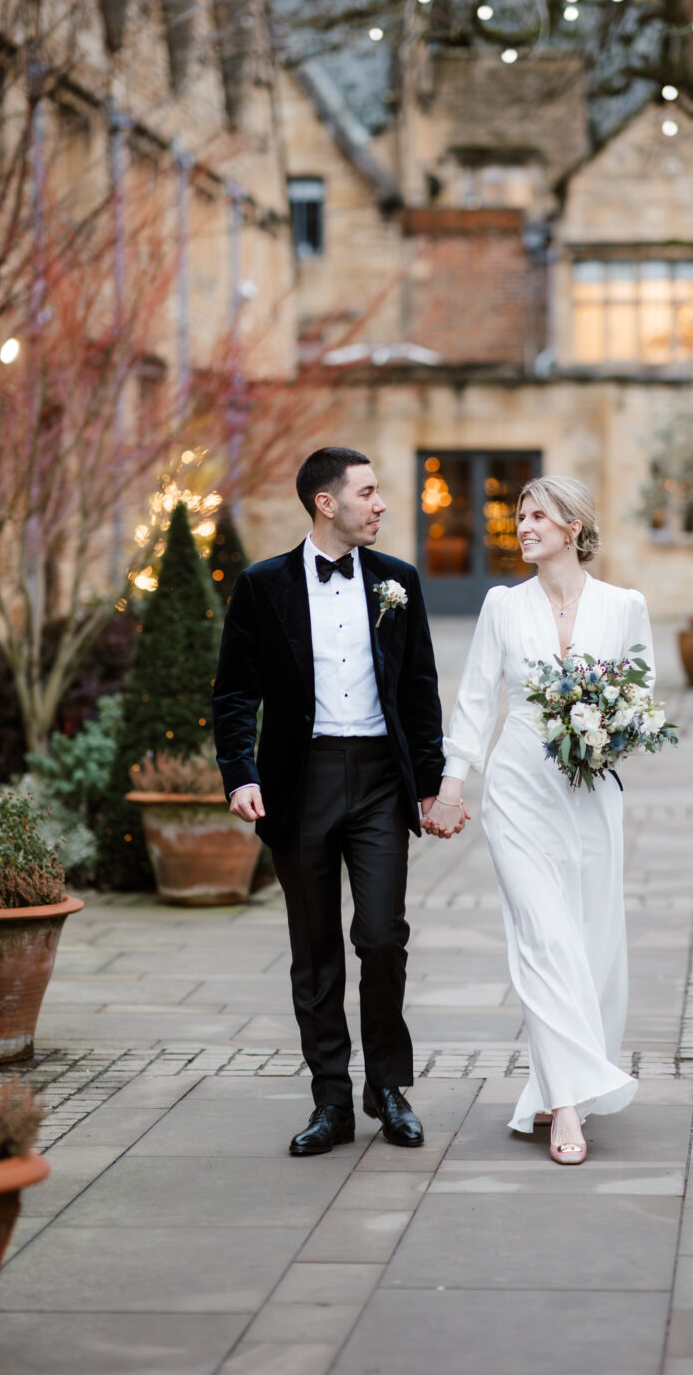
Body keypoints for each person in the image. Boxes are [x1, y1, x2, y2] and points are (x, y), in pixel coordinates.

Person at [213, 447, 454, 1156]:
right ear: (327, 503)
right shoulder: (263, 586)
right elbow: (234, 693)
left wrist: (433, 784)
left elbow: (419, 692)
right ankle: (330, 1100)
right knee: (314, 949)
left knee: (382, 936)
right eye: (369, 493)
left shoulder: (397, 583)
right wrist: (240, 772)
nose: (381, 504)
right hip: (302, 781)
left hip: (381, 779)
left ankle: (387, 1087)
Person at [424, 476, 651, 1165]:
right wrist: (451, 786)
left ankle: (561, 1083)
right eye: (519, 516)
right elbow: (474, 700)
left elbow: (642, 703)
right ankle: (568, 1111)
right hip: (517, 789)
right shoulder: (502, 605)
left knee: (589, 943)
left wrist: (608, 734)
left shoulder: (624, 606)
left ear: (574, 526)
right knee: (543, 942)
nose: (523, 526)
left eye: (537, 516)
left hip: (588, 795)